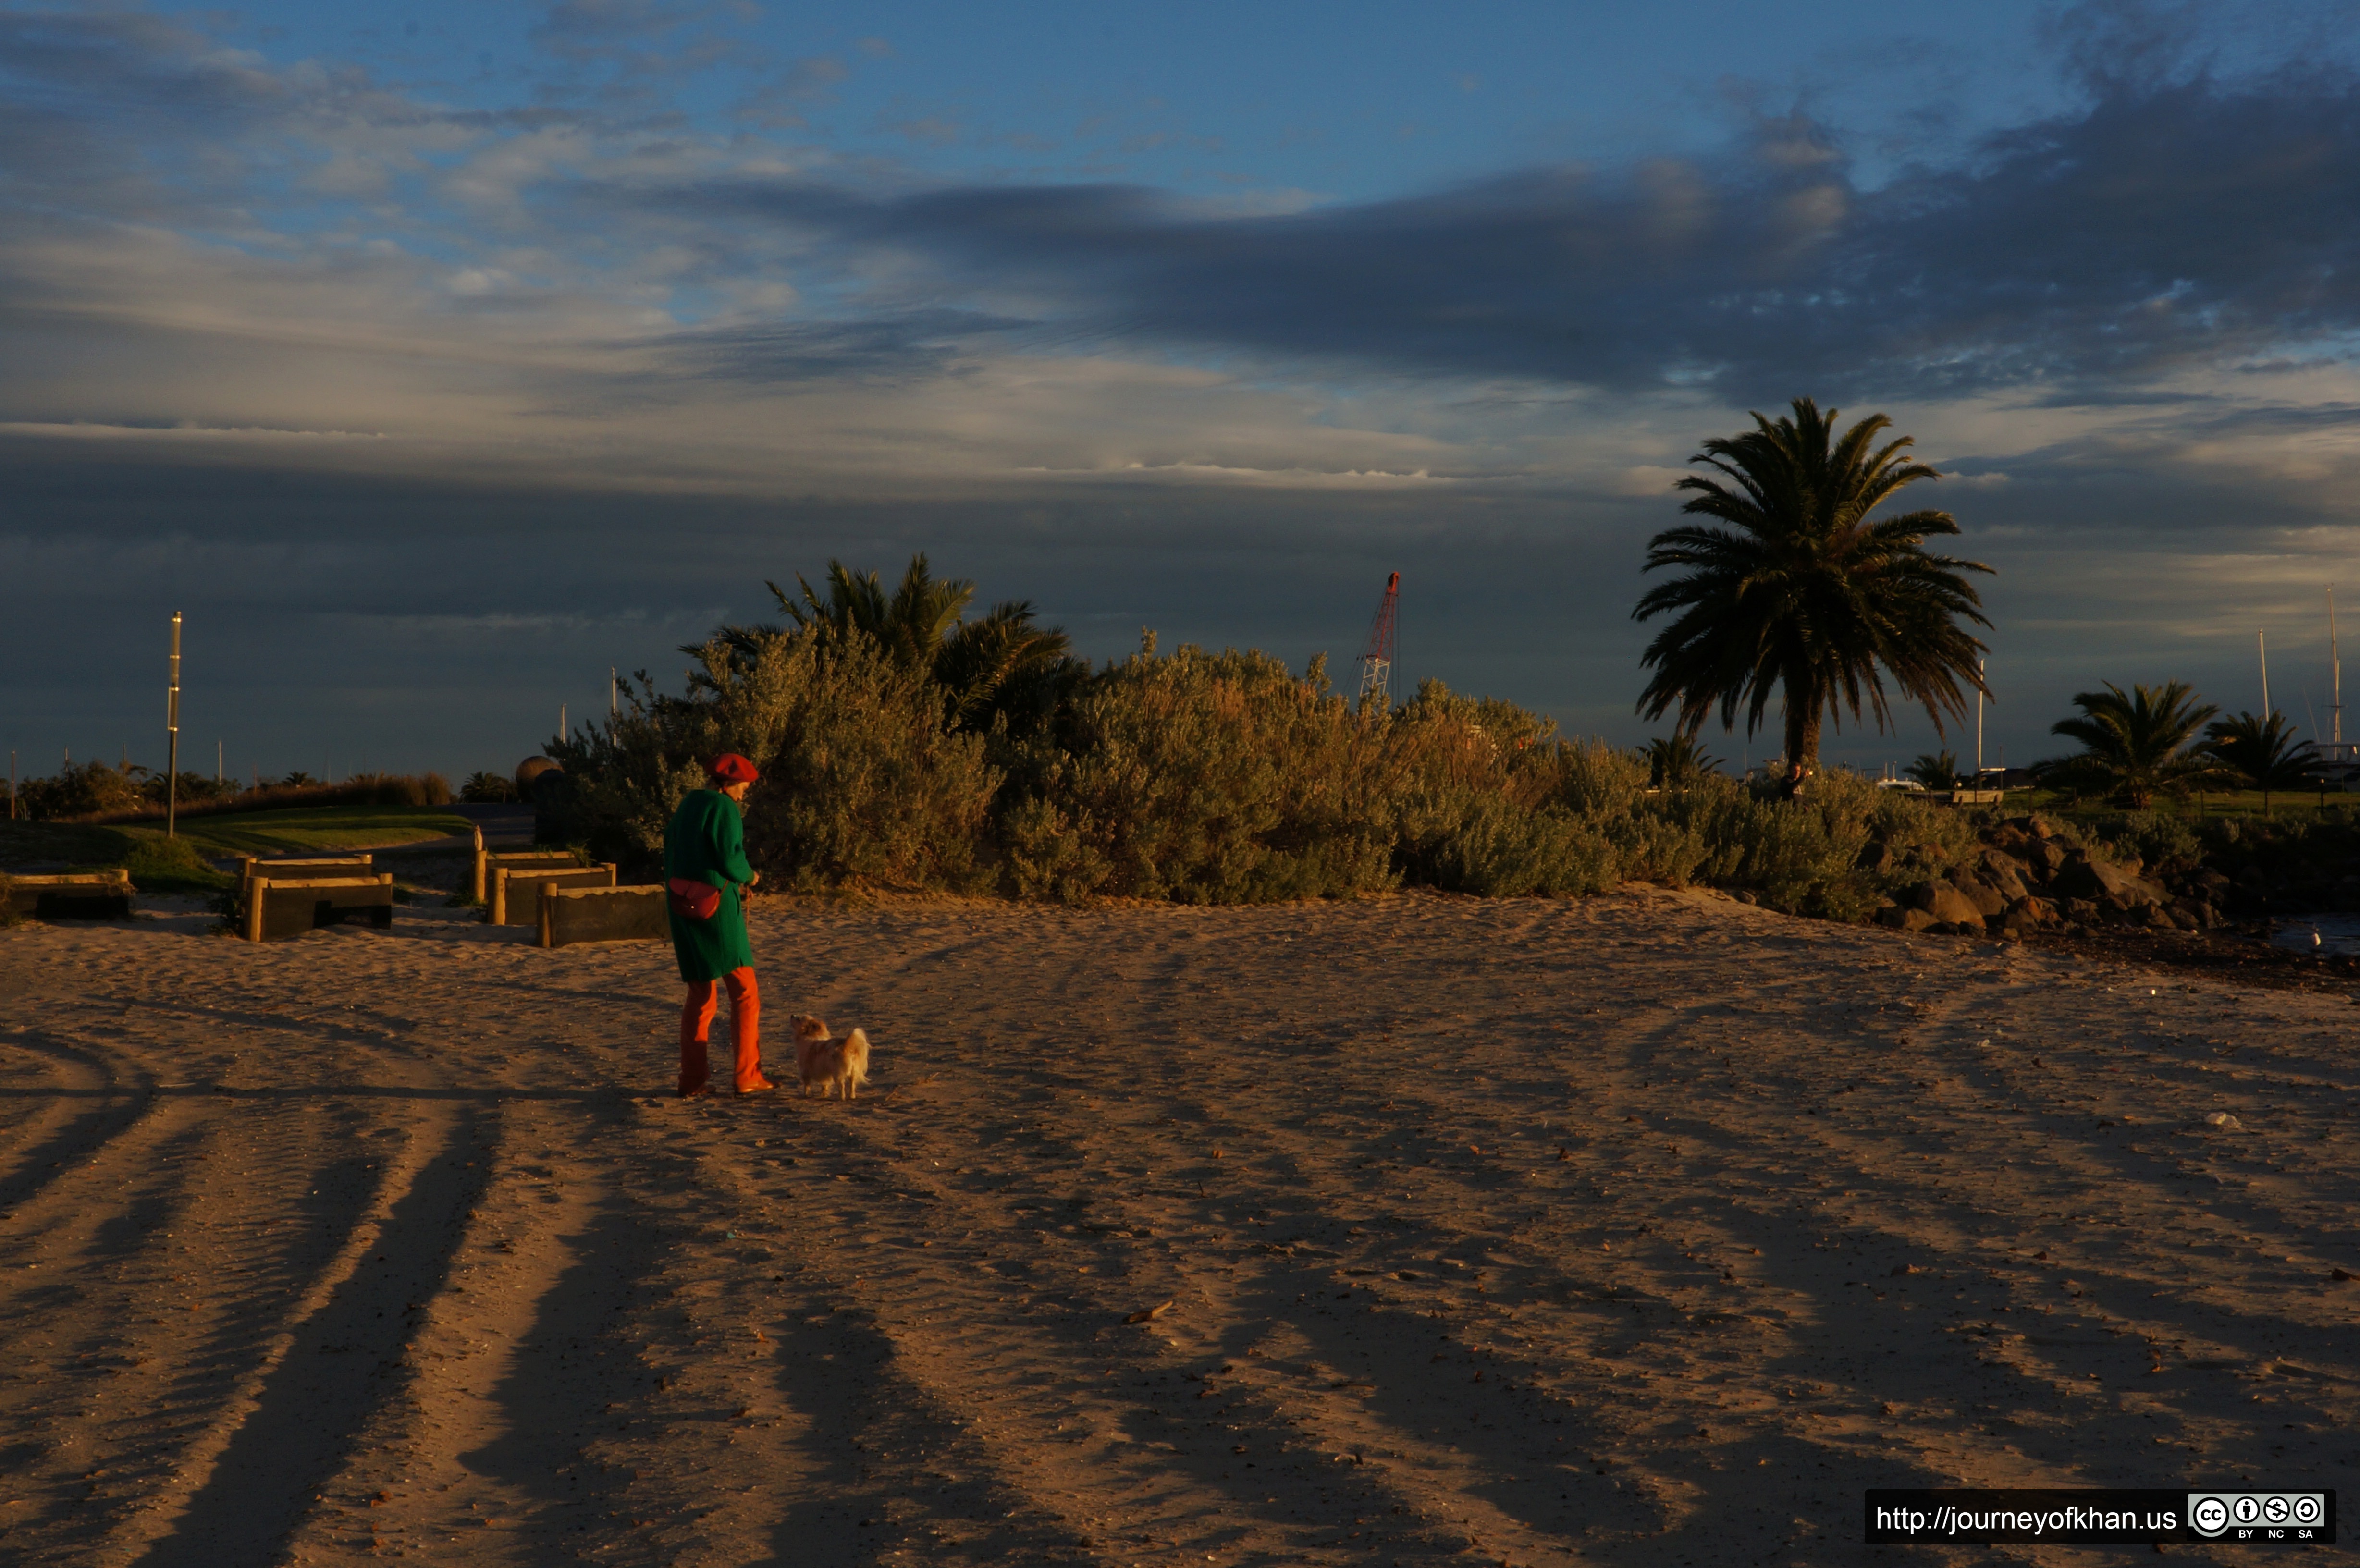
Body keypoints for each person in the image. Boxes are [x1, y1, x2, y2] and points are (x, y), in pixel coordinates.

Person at [663, 753, 775, 1097]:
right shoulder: (725, 808)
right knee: (745, 991)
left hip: (681, 901)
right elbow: (730, 858)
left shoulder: (689, 802)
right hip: (716, 907)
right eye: (744, 786)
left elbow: (670, 848)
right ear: (729, 784)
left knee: (701, 994)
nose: (745, 792)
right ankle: (747, 1075)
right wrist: (751, 876)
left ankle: (692, 1080)